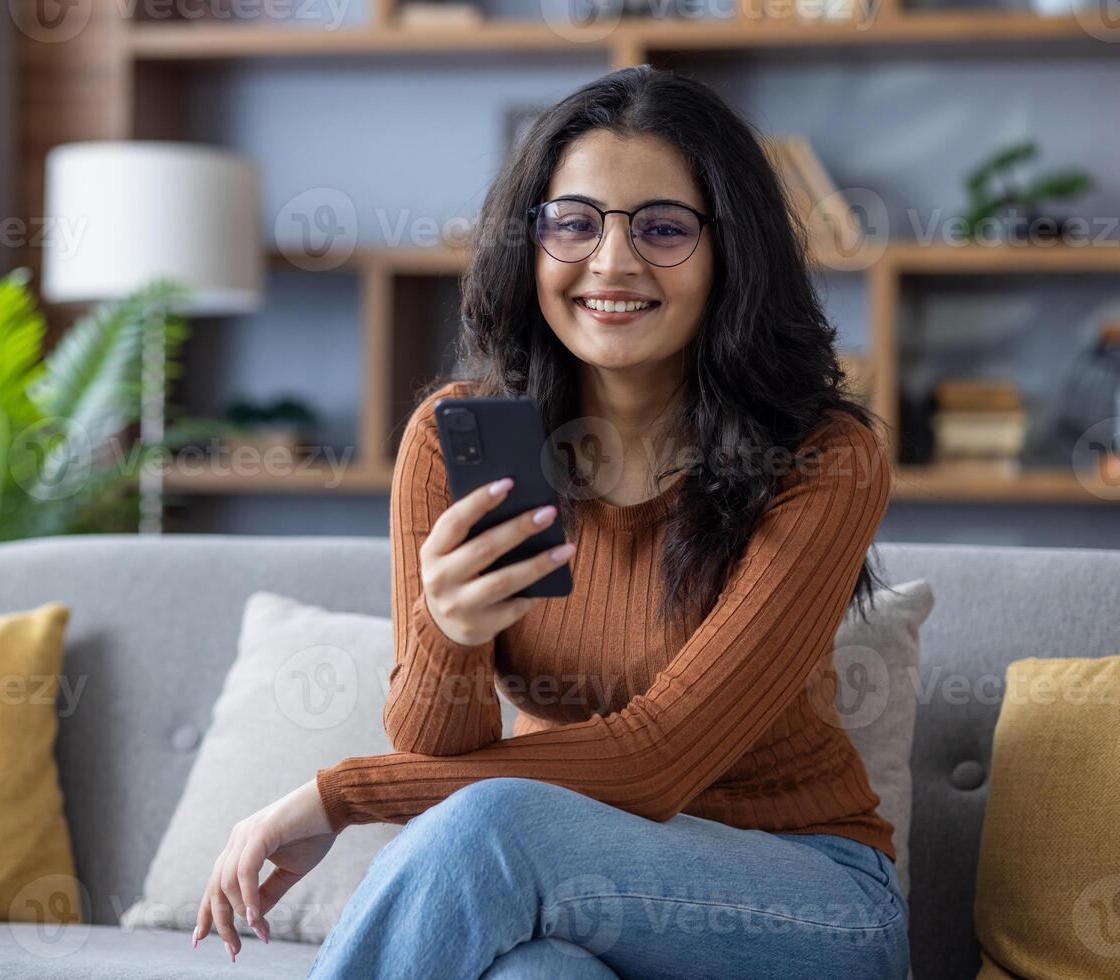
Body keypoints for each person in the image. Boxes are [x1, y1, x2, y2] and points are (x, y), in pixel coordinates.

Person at [191, 64, 910, 979]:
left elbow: (657, 765)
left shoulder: (821, 456)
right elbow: (436, 742)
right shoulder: (455, 443)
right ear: (528, 246)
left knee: (496, 824)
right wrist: (452, 635)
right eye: (573, 223)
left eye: (663, 228)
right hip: (573, 898)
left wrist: (338, 797)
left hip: (808, 899)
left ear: (731, 251)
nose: (611, 263)